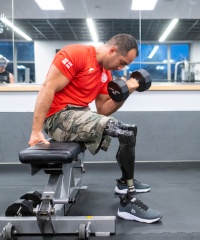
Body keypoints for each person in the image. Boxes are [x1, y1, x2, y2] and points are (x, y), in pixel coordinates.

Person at [27, 33, 162, 223]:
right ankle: (128, 202)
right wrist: (36, 131)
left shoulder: (105, 73)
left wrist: (128, 90)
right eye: (122, 62)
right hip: (58, 117)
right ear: (112, 50)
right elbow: (47, 88)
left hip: (81, 115)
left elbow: (103, 110)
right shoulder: (75, 54)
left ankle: (125, 183)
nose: (121, 68)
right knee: (121, 129)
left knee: (128, 130)